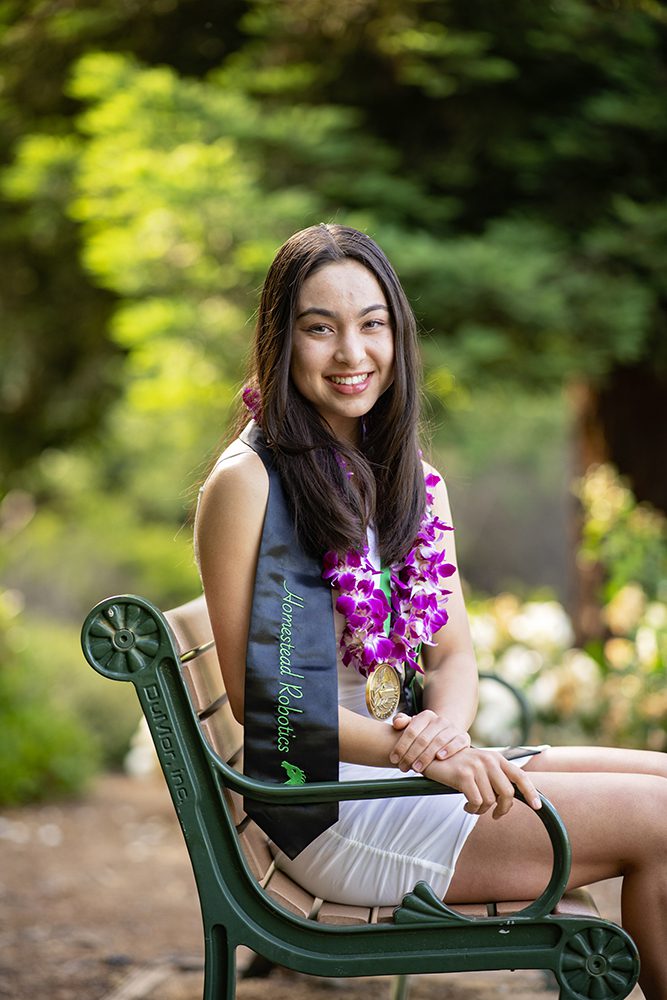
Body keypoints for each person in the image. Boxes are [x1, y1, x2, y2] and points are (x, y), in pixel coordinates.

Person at [195, 223, 667, 998]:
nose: (351, 353)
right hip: (328, 806)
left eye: (371, 324)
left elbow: (451, 653)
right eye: (320, 328)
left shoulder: (408, 479)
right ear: (280, 342)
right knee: (659, 820)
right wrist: (417, 753)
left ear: (397, 335)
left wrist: (442, 734)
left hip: (404, 772)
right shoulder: (249, 483)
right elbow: (263, 700)